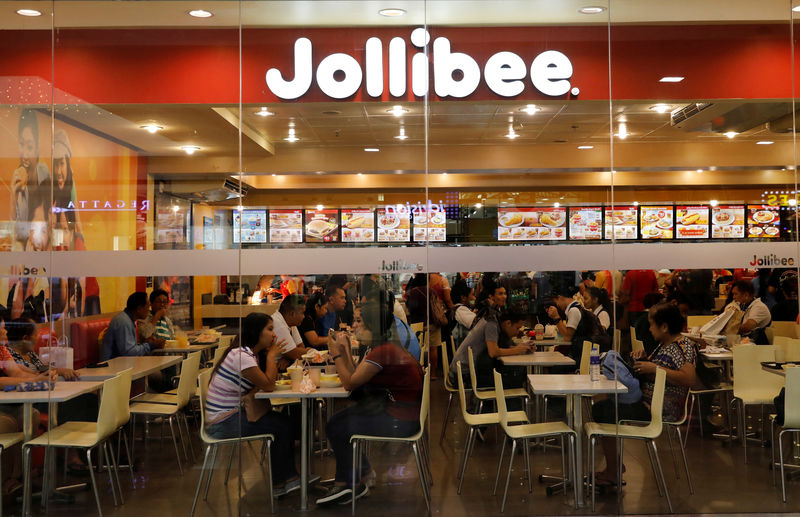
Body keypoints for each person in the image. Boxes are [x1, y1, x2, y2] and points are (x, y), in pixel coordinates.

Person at [318, 301, 423, 505]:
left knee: (338, 426)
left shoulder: (383, 351)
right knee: (340, 419)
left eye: (359, 322)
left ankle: (349, 485)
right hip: (402, 413)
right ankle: (361, 473)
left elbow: (349, 383)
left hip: (401, 421)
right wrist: (345, 349)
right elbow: (355, 377)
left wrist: (336, 353)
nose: (353, 326)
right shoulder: (383, 347)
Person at [591, 302, 696, 486]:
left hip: (660, 409)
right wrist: (644, 361)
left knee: (603, 411)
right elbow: (659, 370)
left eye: (651, 323)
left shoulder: (683, 346)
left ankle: (614, 470)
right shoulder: (664, 345)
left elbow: (688, 378)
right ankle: (614, 467)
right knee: (605, 406)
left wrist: (654, 367)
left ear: (664, 326)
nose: (649, 328)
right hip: (647, 402)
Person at [204, 313, 299, 496]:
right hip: (222, 423)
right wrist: (272, 356)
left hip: (233, 414)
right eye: (270, 329)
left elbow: (264, 383)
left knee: (284, 423)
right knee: (282, 426)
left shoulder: (248, 354)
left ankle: (289, 479)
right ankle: (281, 483)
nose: (274, 335)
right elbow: (269, 385)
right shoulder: (241, 356)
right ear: (257, 332)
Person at [6, 317, 97, 473]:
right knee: (73, 404)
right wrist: (43, 376)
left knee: (89, 399)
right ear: (25, 338)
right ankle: (72, 456)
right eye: (35, 334)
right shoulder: (10, 355)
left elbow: (42, 369)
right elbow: (26, 376)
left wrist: (59, 371)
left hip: (41, 393)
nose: (38, 338)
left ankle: (86, 450)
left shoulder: (29, 353)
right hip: (29, 399)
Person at [449, 306, 531, 390]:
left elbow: (503, 347)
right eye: (517, 328)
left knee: (517, 373)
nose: (517, 332)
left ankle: (498, 402)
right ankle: (502, 402)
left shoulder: (496, 322)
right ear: (508, 323)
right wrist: (517, 350)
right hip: (463, 374)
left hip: (472, 370)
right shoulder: (491, 324)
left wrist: (522, 347)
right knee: (515, 380)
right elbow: (493, 352)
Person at [547, 286, 607, 365]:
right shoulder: (575, 309)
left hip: (580, 358)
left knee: (550, 366)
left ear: (560, 297)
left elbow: (567, 337)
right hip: (581, 354)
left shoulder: (574, 311)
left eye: (556, 302)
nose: (557, 305)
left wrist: (556, 318)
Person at [101, 292, 165, 360]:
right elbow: (129, 353)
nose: (148, 311)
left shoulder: (128, 319)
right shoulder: (123, 322)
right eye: (147, 307)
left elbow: (129, 348)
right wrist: (151, 345)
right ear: (139, 309)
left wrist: (146, 342)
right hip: (112, 367)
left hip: (122, 364)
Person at [268, 294, 308, 370]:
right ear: (292, 313)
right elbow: (295, 353)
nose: (304, 316)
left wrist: (288, 358)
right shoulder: (278, 324)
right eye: (302, 313)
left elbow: (301, 347)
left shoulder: (290, 322)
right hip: (274, 369)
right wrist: (309, 351)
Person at [727, 279, 771, 345]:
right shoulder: (742, 305)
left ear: (746, 295)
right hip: (744, 342)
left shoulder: (759, 306)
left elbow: (748, 326)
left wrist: (732, 330)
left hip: (757, 346)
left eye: (736, 294)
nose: (733, 297)